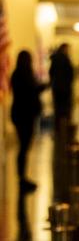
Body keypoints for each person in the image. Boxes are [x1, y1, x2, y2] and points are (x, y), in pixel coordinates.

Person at [9, 49, 46, 192]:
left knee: (24, 146)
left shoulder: (18, 74)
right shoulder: (22, 75)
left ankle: (22, 176)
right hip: (24, 115)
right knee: (24, 146)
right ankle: (21, 178)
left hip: (21, 114)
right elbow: (29, 92)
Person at [49, 42, 74, 123]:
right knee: (66, 110)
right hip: (65, 89)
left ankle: (58, 128)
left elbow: (51, 72)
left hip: (56, 88)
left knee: (58, 109)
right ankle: (65, 128)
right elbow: (70, 73)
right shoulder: (65, 59)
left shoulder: (55, 59)